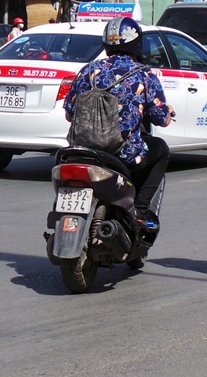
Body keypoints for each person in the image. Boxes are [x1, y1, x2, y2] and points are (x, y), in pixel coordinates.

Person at [63, 16, 174, 236]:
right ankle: (140, 211)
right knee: (160, 150)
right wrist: (168, 112)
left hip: (83, 151)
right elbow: (161, 118)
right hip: (122, 153)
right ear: (137, 43)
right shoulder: (143, 74)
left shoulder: (88, 70)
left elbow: (69, 114)